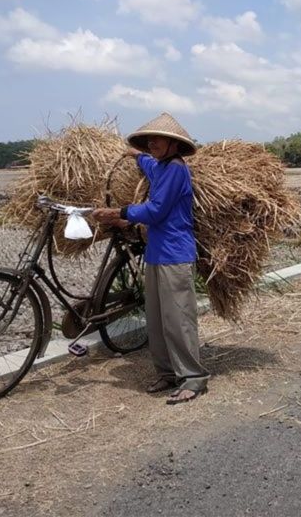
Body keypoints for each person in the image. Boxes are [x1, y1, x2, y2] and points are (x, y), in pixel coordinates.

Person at [92, 113, 209, 405]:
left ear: (173, 143)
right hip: (156, 253)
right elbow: (147, 164)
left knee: (178, 318)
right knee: (156, 320)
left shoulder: (177, 170)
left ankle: (193, 378)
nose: (151, 143)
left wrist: (119, 213)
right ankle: (168, 373)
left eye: (157, 139)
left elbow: (155, 210)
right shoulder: (159, 166)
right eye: (148, 140)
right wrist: (135, 155)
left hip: (175, 254)